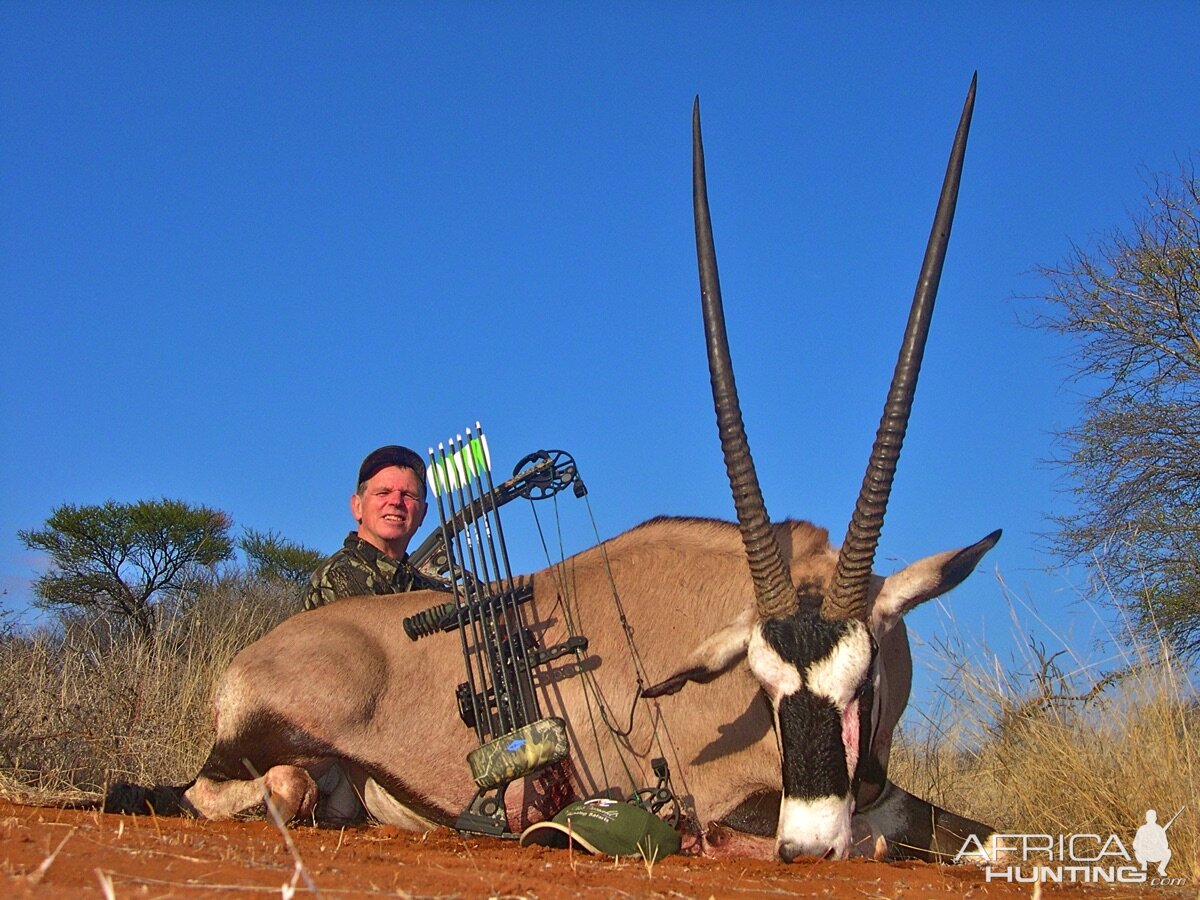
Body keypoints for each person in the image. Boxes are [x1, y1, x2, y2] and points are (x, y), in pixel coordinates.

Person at [303, 445, 447, 611]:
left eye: (408, 495)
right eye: (383, 493)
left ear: (423, 514)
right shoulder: (338, 575)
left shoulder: (422, 584)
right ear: (357, 506)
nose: (396, 501)